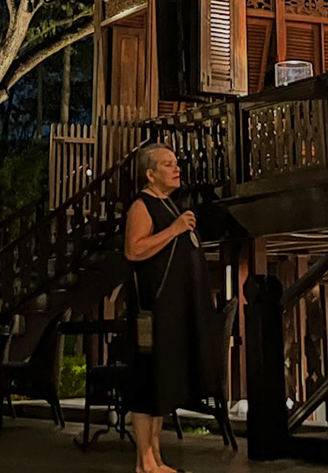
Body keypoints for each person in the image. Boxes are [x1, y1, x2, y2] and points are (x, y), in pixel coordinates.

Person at [122, 143, 217, 473]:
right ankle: (145, 461)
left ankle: (156, 457)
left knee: (162, 382)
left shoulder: (171, 205)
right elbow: (134, 250)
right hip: (151, 309)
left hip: (173, 310)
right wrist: (174, 230)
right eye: (167, 164)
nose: (176, 169)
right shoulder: (142, 206)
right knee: (146, 382)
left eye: (176, 163)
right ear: (150, 174)